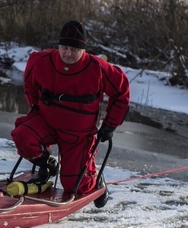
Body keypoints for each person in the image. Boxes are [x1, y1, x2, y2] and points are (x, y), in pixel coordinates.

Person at [10, 20, 130, 207]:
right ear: (59, 45)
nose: (68, 53)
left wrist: (109, 125)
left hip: (78, 133)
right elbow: (29, 85)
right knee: (22, 136)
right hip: (47, 121)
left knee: (74, 186)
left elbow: (122, 92)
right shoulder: (40, 61)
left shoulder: (98, 68)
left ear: (83, 49)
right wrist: (36, 107)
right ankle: (47, 164)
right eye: (64, 47)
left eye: (74, 49)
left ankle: (94, 179)